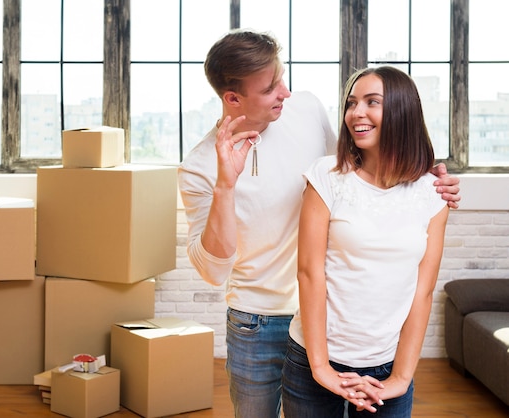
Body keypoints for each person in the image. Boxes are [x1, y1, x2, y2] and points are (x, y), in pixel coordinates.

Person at [178, 29, 460, 418]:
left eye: (282, 77)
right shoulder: (198, 167)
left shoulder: (306, 109)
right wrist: (227, 184)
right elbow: (212, 270)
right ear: (233, 98)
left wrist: (419, 177)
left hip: (331, 314)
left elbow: (352, 174)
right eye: (271, 87)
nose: (286, 92)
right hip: (257, 320)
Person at [282, 66, 450, 418]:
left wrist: (401, 377)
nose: (356, 113)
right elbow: (309, 274)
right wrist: (321, 368)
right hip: (314, 359)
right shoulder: (326, 177)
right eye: (352, 103)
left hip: (387, 365)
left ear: (403, 111)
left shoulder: (432, 194)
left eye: (372, 102)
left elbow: (423, 291)